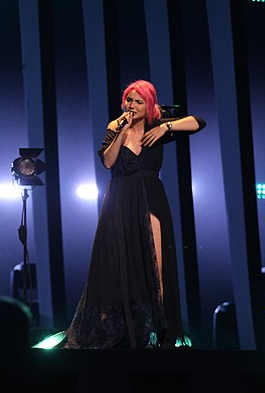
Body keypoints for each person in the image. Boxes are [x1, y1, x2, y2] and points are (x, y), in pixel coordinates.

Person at [65, 80, 206, 349]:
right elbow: (108, 162)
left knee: (155, 263)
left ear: (149, 105)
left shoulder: (158, 126)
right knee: (117, 260)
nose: (132, 106)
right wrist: (121, 130)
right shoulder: (114, 126)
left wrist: (166, 126)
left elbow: (199, 122)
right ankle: (123, 330)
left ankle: (159, 328)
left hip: (150, 195)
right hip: (119, 198)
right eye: (129, 100)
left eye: (138, 101)